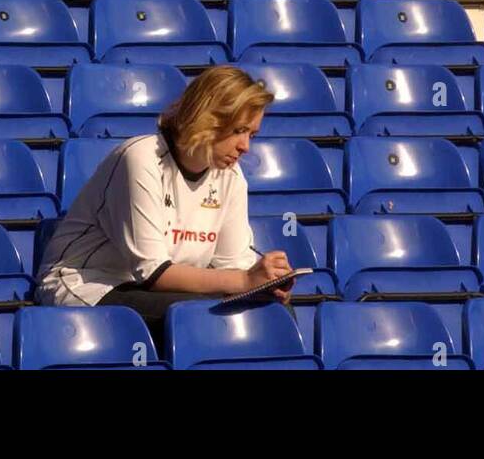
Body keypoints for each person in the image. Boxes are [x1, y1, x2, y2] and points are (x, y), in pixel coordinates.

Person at [35, 66, 295, 343]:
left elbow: (233, 264)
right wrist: (245, 281)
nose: (245, 146)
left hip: (160, 292)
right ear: (206, 119)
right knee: (193, 319)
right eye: (238, 131)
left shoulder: (230, 176)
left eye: (251, 135)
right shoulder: (141, 158)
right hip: (89, 283)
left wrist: (263, 284)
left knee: (274, 312)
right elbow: (153, 272)